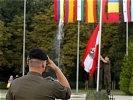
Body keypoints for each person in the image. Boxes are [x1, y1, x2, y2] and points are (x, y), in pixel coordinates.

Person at [6, 48, 71, 100]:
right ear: (43, 64)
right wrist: (56, 69)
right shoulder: (51, 85)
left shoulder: (15, 84)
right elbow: (68, 93)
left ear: (28, 62)